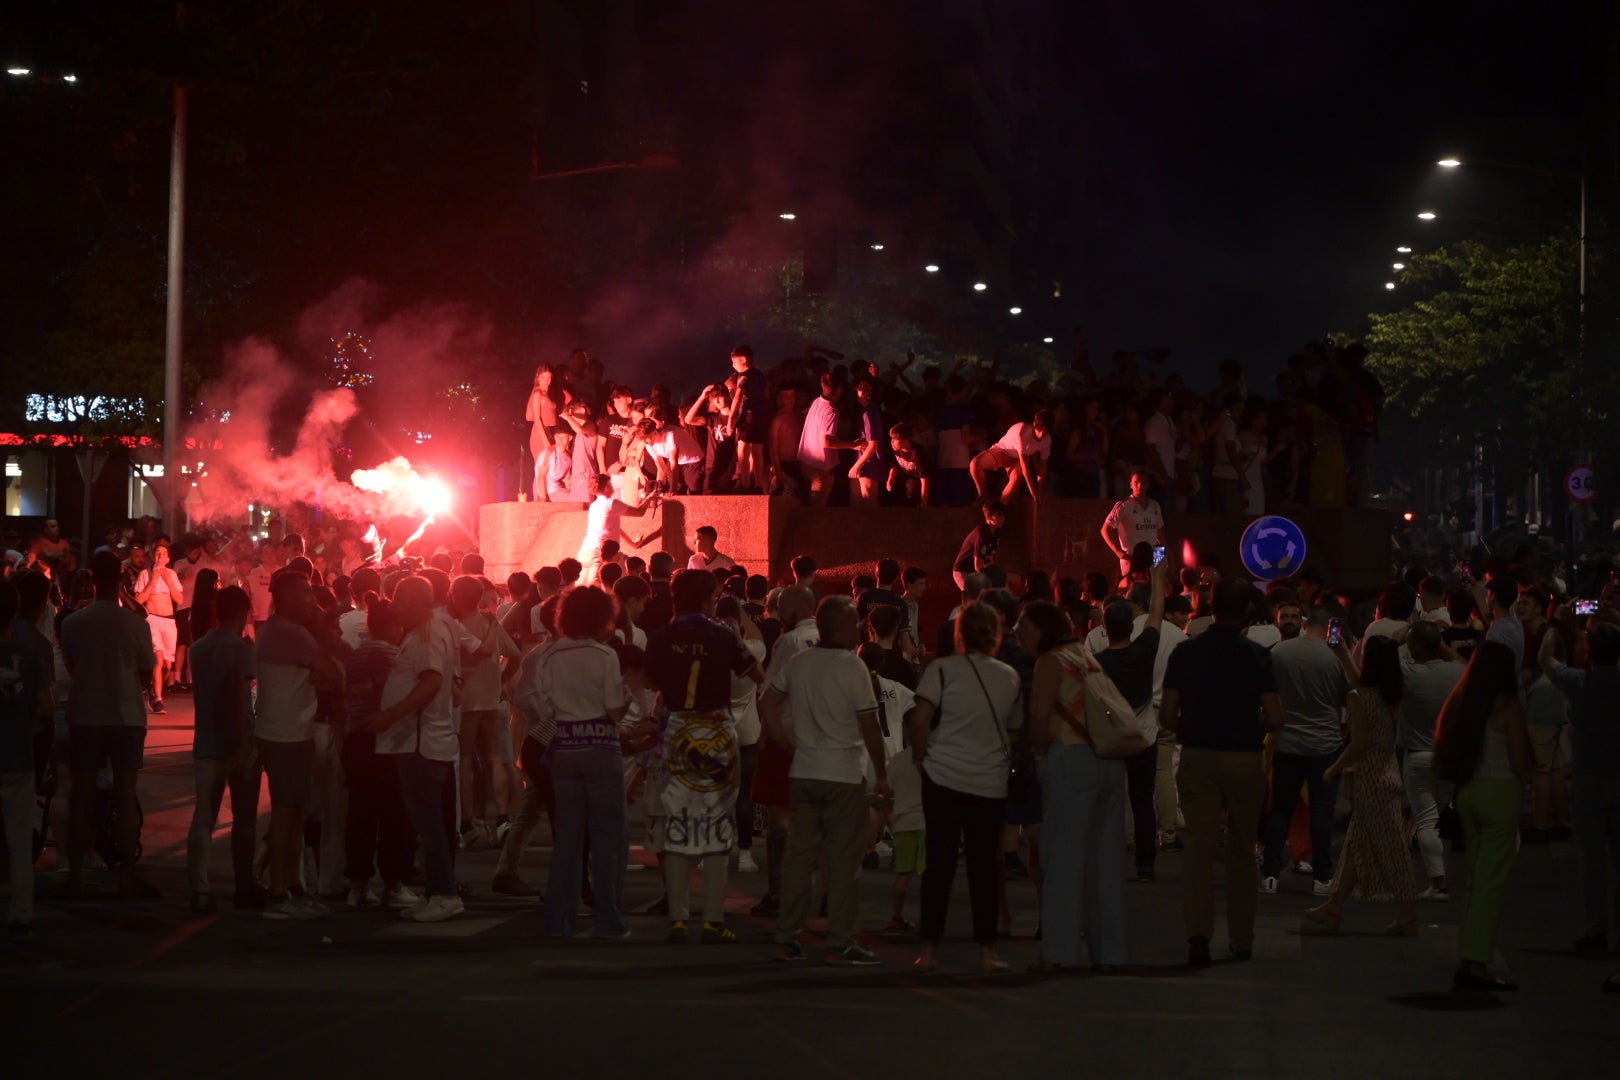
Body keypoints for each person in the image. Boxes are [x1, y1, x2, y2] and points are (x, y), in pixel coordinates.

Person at [1160, 579, 1285, 967]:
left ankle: (1198, 936)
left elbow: (1167, 715)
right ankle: (1241, 939)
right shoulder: (1257, 656)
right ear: (1246, 611)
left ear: (1210, 607)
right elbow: (1276, 717)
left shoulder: (1185, 653)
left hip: (1198, 754)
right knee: (1243, 850)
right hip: (1244, 758)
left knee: (1198, 849)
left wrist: (1190, 729)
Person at [762, 595, 889, 965]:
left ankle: (788, 936)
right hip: (844, 773)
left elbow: (768, 702)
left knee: (799, 858)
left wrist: (786, 741)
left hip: (804, 769)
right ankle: (840, 937)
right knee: (843, 862)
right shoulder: (853, 668)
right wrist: (881, 774)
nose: (859, 629)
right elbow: (869, 725)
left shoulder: (799, 664)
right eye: (854, 623)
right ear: (842, 626)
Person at [645, 570, 765, 943]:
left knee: (677, 826)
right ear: (704, 600)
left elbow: (652, 684)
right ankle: (713, 919)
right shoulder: (723, 635)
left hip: (677, 731)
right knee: (717, 826)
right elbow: (756, 673)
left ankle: (678, 918)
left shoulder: (661, 638)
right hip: (716, 732)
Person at [907, 602, 1021, 974]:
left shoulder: (941, 670)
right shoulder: (1009, 676)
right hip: (989, 780)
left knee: (938, 865)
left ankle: (929, 949)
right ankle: (988, 951)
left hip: (943, 775)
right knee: (984, 867)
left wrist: (922, 756)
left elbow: (921, 720)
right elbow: (1015, 729)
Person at [1022, 600, 1129, 972]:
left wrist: (1038, 754)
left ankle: (1059, 952)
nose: (1019, 633)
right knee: (1106, 864)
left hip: (1072, 759)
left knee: (1063, 860)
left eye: (1023, 626)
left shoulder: (1051, 660)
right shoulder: (1084, 656)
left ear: (1038, 629)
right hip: (1109, 762)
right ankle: (1111, 952)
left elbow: (1040, 714)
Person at [531, 585, 632, 939]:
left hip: (565, 749)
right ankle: (609, 919)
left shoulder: (549, 656)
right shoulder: (605, 657)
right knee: (608, 838)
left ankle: (560, 919)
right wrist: (629, 695)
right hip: (602, 749)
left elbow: (543, 706)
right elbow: (614, 711)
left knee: (568, 840)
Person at [60, 550, 159, 900]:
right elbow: (148, 671)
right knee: (124, 794)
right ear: (120, 579)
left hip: (86, 714)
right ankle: (126, 875)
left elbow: (71, 664)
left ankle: (74, 875)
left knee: (82, 795)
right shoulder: (135, 625)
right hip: (126, 717)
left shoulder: (73, 623)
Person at [1433, 641, 1532, 990]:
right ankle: (1476, 963)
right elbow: (1520, 761)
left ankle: (1470, 956)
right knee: (1492, 883)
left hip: (1469, 792)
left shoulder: (1462, 702)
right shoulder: (1508, 708)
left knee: (1478, 878)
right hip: (1499, 792)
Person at [1303, 637, 1418, 935]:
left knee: (1390, 848)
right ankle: (1335, 906)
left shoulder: (1359, 697)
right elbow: (1363, 688)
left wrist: (1333, 768)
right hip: (1388, 774)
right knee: (1357, 846)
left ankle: (1408, 913)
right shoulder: (1390, 695)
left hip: (1369, 780)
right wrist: (1342, 654)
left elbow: (1359, 743)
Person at [367, 575, 464, 922]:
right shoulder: (430, 630)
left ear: (413, 602)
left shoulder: (426, 633)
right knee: (430, 823)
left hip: (420, 743)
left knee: (430, 824)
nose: (392, 607)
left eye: (397, 600)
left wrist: (390, 715)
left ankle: (444, 893)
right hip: (423, 741)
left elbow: (432, 681)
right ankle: (438, 891)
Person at [1540, 615, 1620, 955]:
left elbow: (1545, 659)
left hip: (1588, 776)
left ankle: (1596, 930)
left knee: (1591, 860)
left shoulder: (1578, 682)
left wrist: (1556, 625)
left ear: (1588, 651)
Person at [1090, 562, 1171, 883]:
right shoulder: (1145, 650)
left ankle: (1108, 858)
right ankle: (1146, 863)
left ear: (1105, 628)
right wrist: (1157, 579)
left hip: (1110, 742)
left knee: (1109, 802)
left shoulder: (1097, 664)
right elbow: (1156, 615)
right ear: (1131, 627)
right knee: (1142, 801)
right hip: (1144, 738)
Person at [1261, 607, 1350, 897]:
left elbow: (1270, 692)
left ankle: (1270, 874)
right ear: (1329, 628)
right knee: (1322, 812)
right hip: (1325, 743)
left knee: (1280, 811)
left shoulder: (1281, 652)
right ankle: (1322, 877)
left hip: (1288, 741)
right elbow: (1348, 696)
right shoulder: (1334, 657)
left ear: (1305, 624)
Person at [184, 585, 263, 913]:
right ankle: (244, 885)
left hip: (206, 741)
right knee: (244, 819)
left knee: (204, 816)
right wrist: (244, 744)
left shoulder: (198, 649)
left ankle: (199, 890)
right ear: (244, 613)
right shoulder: (243, 649)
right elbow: (240, 697)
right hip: (238, 742)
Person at [342, 597, 418, 910]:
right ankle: (393, 883)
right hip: (383, 742)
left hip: (355, 740)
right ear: (392, 625)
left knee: (360, 815)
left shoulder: (357, 654)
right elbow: (395, 693)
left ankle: (358, 886)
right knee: (393, 816)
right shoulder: (390, 653)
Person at [1400, 620, 1466, 901]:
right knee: (1447, 818)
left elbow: (1382, 658)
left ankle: (1437, 882)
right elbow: (1465, 663)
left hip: (1417, 755)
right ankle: (1450, 875)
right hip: (1448, 754)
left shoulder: (1408, 674)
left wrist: (1401, 637)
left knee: (1426, 820)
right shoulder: (1455, 672)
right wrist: (1441, 644)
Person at [0, 579, 51, 942]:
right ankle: (21, 914)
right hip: (18, 756)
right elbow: (47, 708)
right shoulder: (31, 653)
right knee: (19, 842)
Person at [133, 542, 183, 714]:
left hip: (169, 621)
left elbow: (180, 599)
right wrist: (154, 579)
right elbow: (138, 600)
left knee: (168, 666)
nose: (161, 556)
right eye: (158, 554)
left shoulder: (172, 574)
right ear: (153, 557)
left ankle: (154, 692)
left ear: (168, 559)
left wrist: (168, 580)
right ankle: (159, 700)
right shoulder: (145, 574)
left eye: (164, 554)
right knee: (158, 659)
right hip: (152, 619)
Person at [970, 409, 1051, 504]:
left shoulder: (1047, 440)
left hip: (1017, 460)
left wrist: (1039, 492)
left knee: (1016, 477)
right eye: (1039, 431)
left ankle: (1001, 507)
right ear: (1034, 425)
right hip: (1002, 451)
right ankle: (982, 496)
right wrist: (1033, 493)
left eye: (1045, 432)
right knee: (975, 464)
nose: (1041, 435)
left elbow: (1043, 467)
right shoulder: (1022, 432)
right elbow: (1025, 467)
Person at [1100, 470, 1164, 579]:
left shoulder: (1155, 506)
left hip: (1151, 560)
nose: (1140, 485)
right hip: (1131, 559)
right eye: (1136, 482)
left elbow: (1160, 533)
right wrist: (1117, 551)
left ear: (1148, 485)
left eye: (1143, 482)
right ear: (1131, 484)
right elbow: (1104, 530)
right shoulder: (1124, 506)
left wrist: (1159, 557)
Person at [952, 500, 1006, 592]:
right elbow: (978, 566)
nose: (1003, 518)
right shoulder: (981, 535)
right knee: (972, 596)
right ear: (989, 517)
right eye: (999, 515)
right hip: (963, 571)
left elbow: (989, 560)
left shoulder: (997, 532)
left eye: (1004, 515)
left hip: (978, 572)